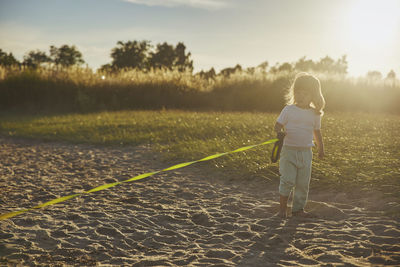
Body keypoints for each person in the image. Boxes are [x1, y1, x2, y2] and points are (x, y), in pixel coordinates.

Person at [274, 72, 325, 219]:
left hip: (306, 153)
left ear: (314, 96)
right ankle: (282, 210)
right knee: (287, 180)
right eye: (298, 92)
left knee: (303, 184)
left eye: (306, 93)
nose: (301, 96)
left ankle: (298, 210)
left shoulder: (315, 114)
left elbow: (317, 132)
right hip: (288, 151)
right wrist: (280, 133)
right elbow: (277, 125)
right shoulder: (288, 110)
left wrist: (321, 148)